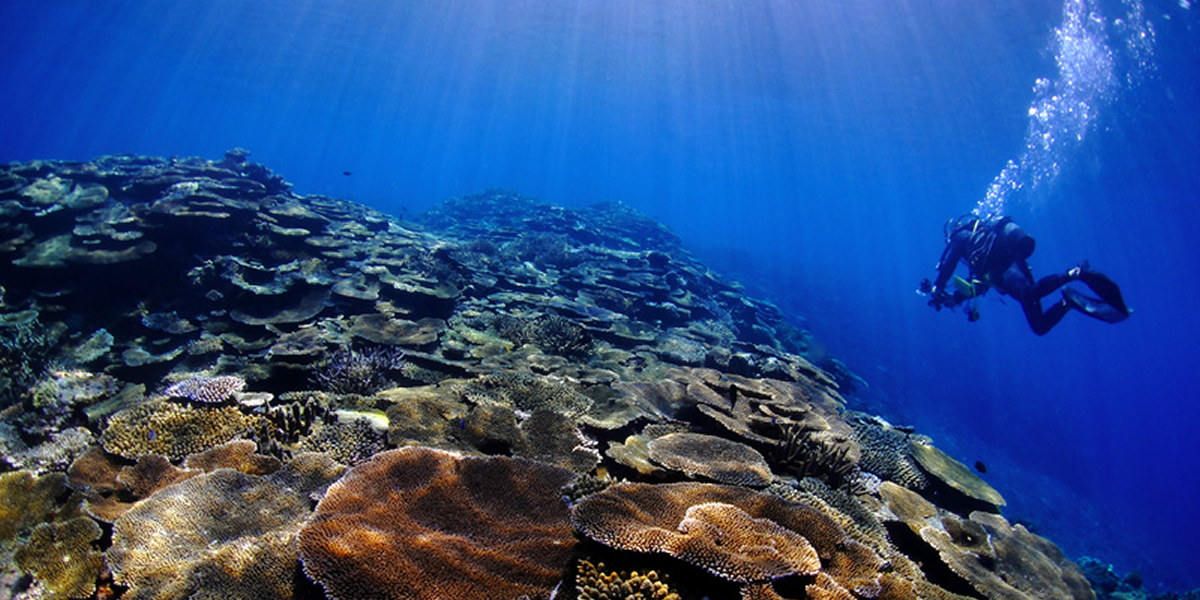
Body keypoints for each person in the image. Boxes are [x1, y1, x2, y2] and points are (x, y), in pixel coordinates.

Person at [919, 215, 1131, 335]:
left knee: (1030, 293)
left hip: (1005, 268)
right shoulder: (979, 244)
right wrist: (954, 298)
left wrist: (938, 287)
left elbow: (948, 266)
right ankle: (1068, 302)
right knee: (1039, 326)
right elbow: (979, 285)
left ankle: (1074, 274)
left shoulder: (960, 236)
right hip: (1010, 269)